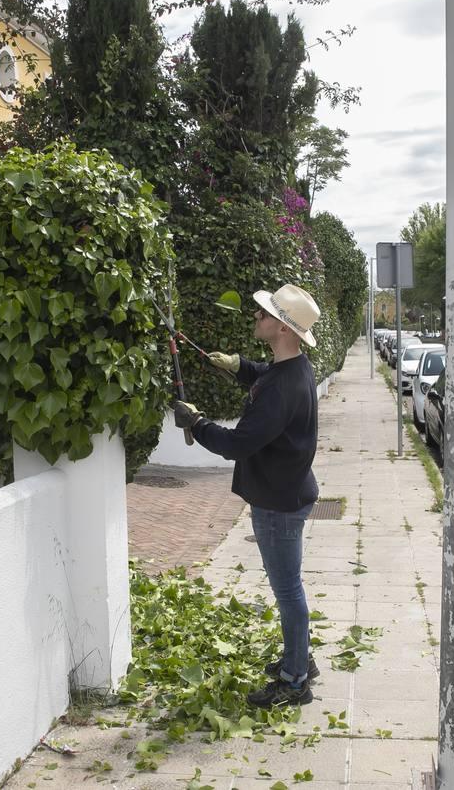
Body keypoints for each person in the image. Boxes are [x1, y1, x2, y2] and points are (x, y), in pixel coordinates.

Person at [171, 283, 322, 708]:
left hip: (278, 503)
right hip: (287, 493)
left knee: (288, 591)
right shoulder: (293, 368)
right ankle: (300, 660)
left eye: (264, 314)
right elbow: (266, 377)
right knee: (289, 589)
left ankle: (295, 682)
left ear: (284, 329)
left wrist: (197, 424)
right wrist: (239, 366)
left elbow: (239, 444)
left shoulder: (284, 386)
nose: (256, 317)